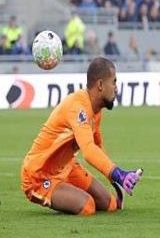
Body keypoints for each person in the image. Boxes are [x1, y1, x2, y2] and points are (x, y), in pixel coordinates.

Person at [21, 57, 142, 215]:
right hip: (39, 175)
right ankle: (58, 194)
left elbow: (98, 148)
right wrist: (119, 174)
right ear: (100, 85)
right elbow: (89, 151)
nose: (116, 88)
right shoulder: (79, 108)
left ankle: (67, 192)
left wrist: (115, 181)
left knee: (110, 205)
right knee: (87, 206)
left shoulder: (96, 110)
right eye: (114, 82)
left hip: (67, 167)